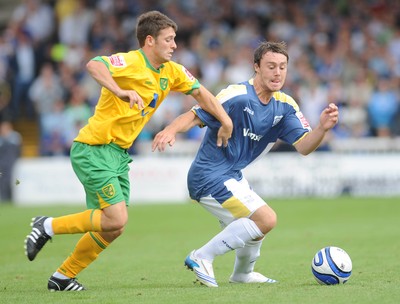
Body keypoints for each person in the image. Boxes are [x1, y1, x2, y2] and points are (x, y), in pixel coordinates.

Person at [24, 10, 233, 291]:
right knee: (116, 217)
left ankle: (62, 277)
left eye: (175, 39)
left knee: (113, 227)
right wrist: (119, 90)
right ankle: (46, 225)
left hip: (119, 155)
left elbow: (202, 94)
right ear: (150, 41)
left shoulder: (171, 71)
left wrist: (226, 119)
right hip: (94, 148)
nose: (174, 45)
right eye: (168, 39)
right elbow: (93, 65)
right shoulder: (130, 61)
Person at [152, 41, 339, 287]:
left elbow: (304, 146)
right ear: (256, 67)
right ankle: (201, 256)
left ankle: (242, 274)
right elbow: (195, 114)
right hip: (208, 175)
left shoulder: (285, 106)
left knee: (255, 223)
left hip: (232, 175)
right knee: (266, 219)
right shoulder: (236, 95)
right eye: (271, 66)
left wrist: (322, 129)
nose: (277, 72)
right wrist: (171, 129)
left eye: (282, 67)